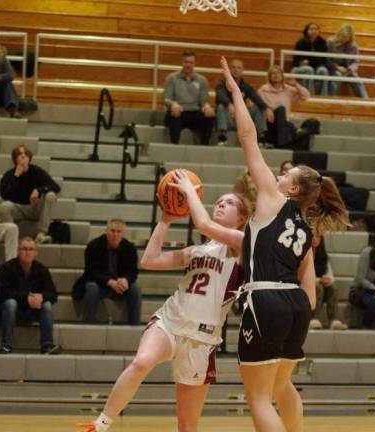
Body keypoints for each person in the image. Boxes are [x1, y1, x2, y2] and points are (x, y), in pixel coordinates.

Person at [222, 56, 349, 432]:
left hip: (267, 299)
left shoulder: (272, 199)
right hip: (296, 305)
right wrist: (297, 313)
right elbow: (309, 294)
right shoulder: (308, 228)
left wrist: (235, 89)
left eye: (286, 173)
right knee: (281, 384)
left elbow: (247, 138)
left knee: (258, 397)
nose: (278, 173)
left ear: (292, 188)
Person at [78, 170, 248, 432]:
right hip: (170, 320)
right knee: (141, 362)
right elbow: (149, 260)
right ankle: (101, 424)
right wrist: (165, 220)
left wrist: (188, 191)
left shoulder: (242, 244)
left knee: (186, 426)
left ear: (242, 218)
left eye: (230, 203)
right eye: (220, 201)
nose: (222, 204)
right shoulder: (195, 251)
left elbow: (202, 223)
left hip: (202, 339)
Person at [0, 237, 61, 355]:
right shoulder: (6, 268)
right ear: (18, 251)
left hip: (30, 311)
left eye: (31, 249)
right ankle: (6, 344)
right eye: (24, 249)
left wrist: (41, 296)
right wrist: (26, 298)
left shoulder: (42, 269)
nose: (28, 252)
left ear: (36, 253)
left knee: (46, 304)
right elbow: (2, 293)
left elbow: (53, 294)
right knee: (11, 303)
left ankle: (47, 345)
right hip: (7, 312)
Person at [71, 219, 141, 325]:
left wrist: (126, 280)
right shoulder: (93, 246)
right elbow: (91, 272)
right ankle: (88, 325)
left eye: (119, 232)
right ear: (106, 231)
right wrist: (110, 282)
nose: (115, 234)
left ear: (123, 234)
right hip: (100, 285)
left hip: (119, 286)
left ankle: (135, 327)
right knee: (91, 287)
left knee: (135, 289)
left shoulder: (130, 248)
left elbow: (133, 272)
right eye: (112, 231)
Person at [0, 144, 60, 244]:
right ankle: (10, 236)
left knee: (51, 195)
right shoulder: (9, 175)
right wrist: (16, 176)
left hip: (35, 207)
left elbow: (55, 187)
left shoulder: (36, 171)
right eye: (20, 154)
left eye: (25, 154)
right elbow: (5, 196)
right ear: (15, 159)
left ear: (29, 158)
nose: (23, 156)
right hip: (18, 209)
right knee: (4, 207)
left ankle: (41, 234)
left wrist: (39, 190)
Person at [163, 50, 214, 145]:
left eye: (191, 62)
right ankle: (174, 146)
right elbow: (166, 99)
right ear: (182, 62)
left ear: (195, 64)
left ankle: (204, 146)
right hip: (179, 111)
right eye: (186, 62)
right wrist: (173, 104)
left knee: (209, 117)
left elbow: (204, 101)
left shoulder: (202, 80)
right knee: (174, 116)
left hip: (195, 112)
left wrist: (207, 106)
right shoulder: (172, 78)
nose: (188, 65)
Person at [215, 58, 270, 146]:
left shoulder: (245, 85)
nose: (236, 70)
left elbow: (255, 97)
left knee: (257, 107)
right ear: (229, 69)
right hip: (228, 118)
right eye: (233, 67)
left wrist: (266, 108)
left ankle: (262, 137)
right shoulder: (221, 83)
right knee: (221, 106)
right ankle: (222, 136)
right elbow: (220, 95)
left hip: (241, 118)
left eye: (238, 68)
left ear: (242, 70)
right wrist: (229, 104)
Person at [258, 65, 310, 148]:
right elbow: (256, 104)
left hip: (284, 124)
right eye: (273, 73)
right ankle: (283, 143)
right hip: (270, 123)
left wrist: (296, 84)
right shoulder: (263, 90)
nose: (276, 75)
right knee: (281, 110)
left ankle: (283, 142)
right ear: (269, 77)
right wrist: (266, 110)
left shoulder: (287, 89)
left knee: (304, 131)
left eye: (278, 73)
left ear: (282, 76)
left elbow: (305, 96)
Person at [308, 235, 347, 330]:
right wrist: (318, 280)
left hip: (320, 286)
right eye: (312, 236)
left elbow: (330, 275)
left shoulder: (323, 255)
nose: (315, 239)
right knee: (318, 286)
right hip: (304, 287)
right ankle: (313, 318)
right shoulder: (300, 254)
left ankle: (333, 320)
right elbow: (299, 276)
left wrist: (328, 279)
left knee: (332, 287)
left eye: (317, 237)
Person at [326, 24, 368, 98]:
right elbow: (326, 59)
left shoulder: (353, 45)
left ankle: (365, 102)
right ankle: (334, 101)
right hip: (333, 69)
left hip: (347, 70)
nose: (344, 39)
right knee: (337, 76)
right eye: (343, 36)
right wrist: (337, 67)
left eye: (347, 37)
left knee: (357, 80)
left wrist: (351, 68)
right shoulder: (330, 42)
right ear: (339, 34)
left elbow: (355, 61)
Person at [291, 23, 329, 95]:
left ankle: (324, 95)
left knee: (323, 70)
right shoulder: (301, 42)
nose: (314, 31)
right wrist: (300, 62)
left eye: (316, 29)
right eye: (311, 29)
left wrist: (311, 62)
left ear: (318, 31)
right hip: (299, 68)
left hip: (316, 67)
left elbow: (323, 60)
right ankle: (308, 95)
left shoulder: (323, 42)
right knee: (309, 69)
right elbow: (295, 60)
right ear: (307, 31)